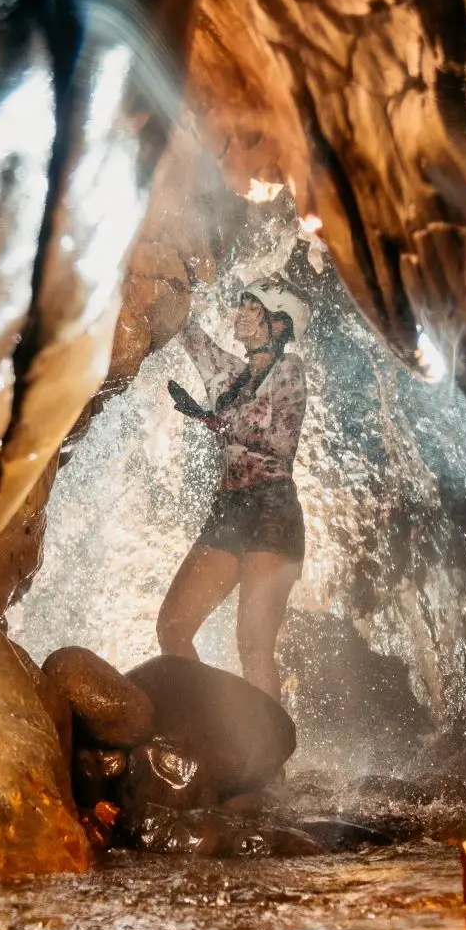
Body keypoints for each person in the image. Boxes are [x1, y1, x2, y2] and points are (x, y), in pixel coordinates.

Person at [156, 282, 312, 699]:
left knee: (253, 646)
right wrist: (165, 277)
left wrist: (215, 419)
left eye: (252, 306)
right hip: (229, 508)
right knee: (173, 628)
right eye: (241, 303)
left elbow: (280, 442)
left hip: (272, 511)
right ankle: (213, 730)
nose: (240, 312)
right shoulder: (230, 373)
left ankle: (267, 762)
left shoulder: (290, 370)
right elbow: (187, 333)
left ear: (278, 324)